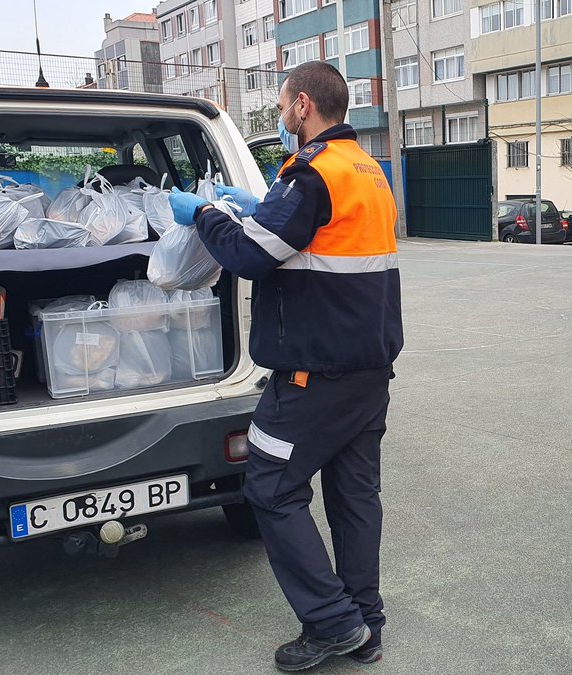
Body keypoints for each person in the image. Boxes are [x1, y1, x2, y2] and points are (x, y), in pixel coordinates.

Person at [168, 61, 402, 670]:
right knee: (354, 496)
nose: (280, 114)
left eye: (282, 105)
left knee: (270, 486)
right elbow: (310, 239)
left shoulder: (311, 174)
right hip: (367, 370)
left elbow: (250, 254)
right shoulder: (366, 171)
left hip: (311, 374)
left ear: (303, 105)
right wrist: (261, 202)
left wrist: (202, 214)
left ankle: (332, 623)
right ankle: (365, 622)